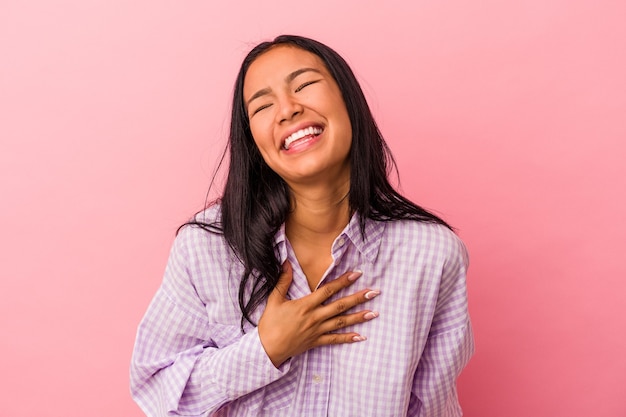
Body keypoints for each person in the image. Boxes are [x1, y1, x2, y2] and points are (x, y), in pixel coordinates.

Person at [130, 34, 474, 417]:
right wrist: (264, 349)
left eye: (305, 85)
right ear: (253, 140)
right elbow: (157, 388)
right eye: (262, 105)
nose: (287, 110)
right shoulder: (206, 248)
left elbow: (432, 407)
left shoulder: (432, 254)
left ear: (348, 100)